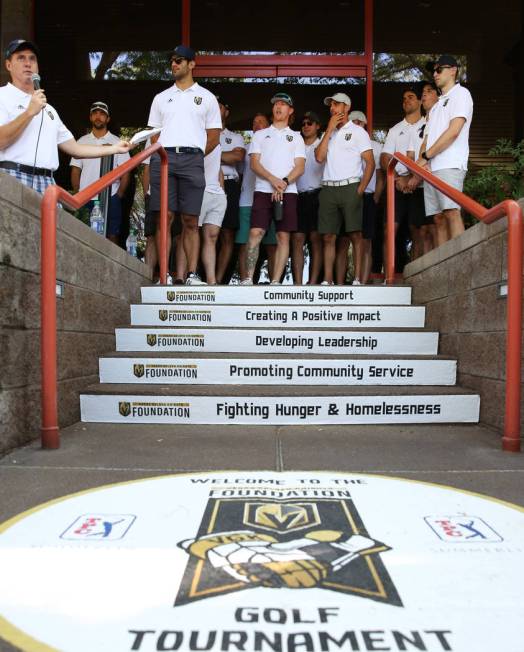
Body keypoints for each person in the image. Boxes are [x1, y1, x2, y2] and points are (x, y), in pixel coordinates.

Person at [0, 39, 131, 195]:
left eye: (32, 58)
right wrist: (29, 112)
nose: (28, 63)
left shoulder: (49, 110)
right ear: (9, 65)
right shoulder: (3, 96)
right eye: (21, 58)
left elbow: (75, 148)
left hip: (47, 182)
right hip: (13, 175)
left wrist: (114, 148)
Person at [147, 44, 221, 286]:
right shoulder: (160, 98)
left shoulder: (207, 98)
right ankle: (164, 274)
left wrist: (197, 155)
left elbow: (213, 136)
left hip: (192, 160)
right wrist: (162, 154)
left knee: (191, 220)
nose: (174, 64)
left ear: (192, 64)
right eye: (172, 60)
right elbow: (153, 134)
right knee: (165, 218)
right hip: (164, 158)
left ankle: (192, 275)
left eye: (180, 60)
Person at [242, 92, 305, 285]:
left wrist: (284, 182)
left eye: (283, 104)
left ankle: (276, 281)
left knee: (283, 236)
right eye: (276, 104)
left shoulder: (296, 137)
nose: (278, 107)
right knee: (255, 232)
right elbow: (254, 163)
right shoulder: (260, 134)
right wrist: (273, 180)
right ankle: (248, 279)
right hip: (263, 189)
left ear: (290, 110)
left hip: (288, 192)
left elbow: (300, 166)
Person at [315, 92, 375, 286]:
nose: (332, 108)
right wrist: (329, 129)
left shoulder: (358, 132)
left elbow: (370, 163)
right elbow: (319, 157)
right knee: (328, 236)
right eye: (331, 105)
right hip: (329, 187)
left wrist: (361, 189)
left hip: (351, 186)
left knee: (355, 234)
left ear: (346, 107)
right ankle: (328, 280)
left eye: (336, 104)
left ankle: (357, 279)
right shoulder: (329, 132)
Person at [417, 55, 473, 244]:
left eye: (439, 69)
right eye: (434, 70)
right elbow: (426, 139)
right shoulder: (436, 105)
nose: (435, 74)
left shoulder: (461, 94)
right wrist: (422, 163)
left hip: (450, 164)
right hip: (431, 168)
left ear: (453, 70)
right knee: (438, 219)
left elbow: (454, 131)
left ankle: (461, 266)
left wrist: (425, 156)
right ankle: (443, 270)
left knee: (451, 212)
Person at [70, 101, 131, 245]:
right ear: (90, 117)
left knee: (112, 236)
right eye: (95, 113)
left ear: (108, 119)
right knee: (84, 235)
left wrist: (119, 195)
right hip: (86, 197)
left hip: (111, 196)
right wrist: (78, 193)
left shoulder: (117, 142)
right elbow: (75, 170)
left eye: (102, 114)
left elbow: (126, 172)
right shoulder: (81, 141)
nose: (98, 116)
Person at [380, 85, 426, 266]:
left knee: (418, 231)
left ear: (420, 101)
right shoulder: (395, 129)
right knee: (389, 230)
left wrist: (415, 178)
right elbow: (385, 157)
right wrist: (398, 179)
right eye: (404, 98)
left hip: (421, 185)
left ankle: (416, 276)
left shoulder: (428, 126)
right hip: (397, 186)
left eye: (411, 97)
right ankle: (388, 278)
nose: (406, 100)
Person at [236, 112, 277, 282]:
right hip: (246, 200)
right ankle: (246, 279)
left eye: (261, 121)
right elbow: (238, 173)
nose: (256, 124)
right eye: (254, 122)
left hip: (270, 198)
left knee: (272, 244)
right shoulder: (246, 149)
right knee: (244, 243)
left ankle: (275, 281)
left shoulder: (276, 146)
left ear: (269, 125)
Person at [347, 110, 384, 284]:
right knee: (347, 239)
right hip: (347, 196)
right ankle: (351, 278)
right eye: (352, 122)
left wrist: (375, 198)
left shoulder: (375, 146)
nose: (356, 125)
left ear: (364, 124)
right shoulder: (343, 144)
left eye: (359, 122)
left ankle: (362, 280)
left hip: (368, 197)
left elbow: (380, 176)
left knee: (366, 240)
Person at [406, 81, 440, 254]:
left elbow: (433, 151)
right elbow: (412, 157)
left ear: (438, 95)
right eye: (423, 92)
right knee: (421, 230)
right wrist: (417, 175)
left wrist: (416, 176)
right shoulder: (417, 128)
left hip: (435, 180)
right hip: (420, 186)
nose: (424, 95)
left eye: (429, 91)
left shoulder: (442, 119)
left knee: (437, 226)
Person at [215, 97, 246, 284]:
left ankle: (218, 281)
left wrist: (210, 155)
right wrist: (224, 156)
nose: (216, 109)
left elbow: (237, 156)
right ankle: (202, 276)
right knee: (204, 232)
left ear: (226, 112)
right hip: (206, 185)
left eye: (220, 106)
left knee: (227, 234)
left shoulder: (236, 137)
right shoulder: (200, 134)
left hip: (230, 185)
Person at [292, 110, 324, 285]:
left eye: (310, 123)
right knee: (297, 239)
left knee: (316, 239)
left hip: (319, 195)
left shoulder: (323, 143)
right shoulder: (296, 144)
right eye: (303, 123)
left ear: (318, 126)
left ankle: (312, 283)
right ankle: (297, 283)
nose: (305, 126)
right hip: (297, 195)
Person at [199, 143, 226, 285]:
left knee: (211, 237)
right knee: (189, 232)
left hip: (216, 193)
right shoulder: (194, 133)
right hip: (198, 189)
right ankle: (182, 276)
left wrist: (222, 191)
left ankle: (211, 281)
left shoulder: (216, 138)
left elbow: (218, 167)